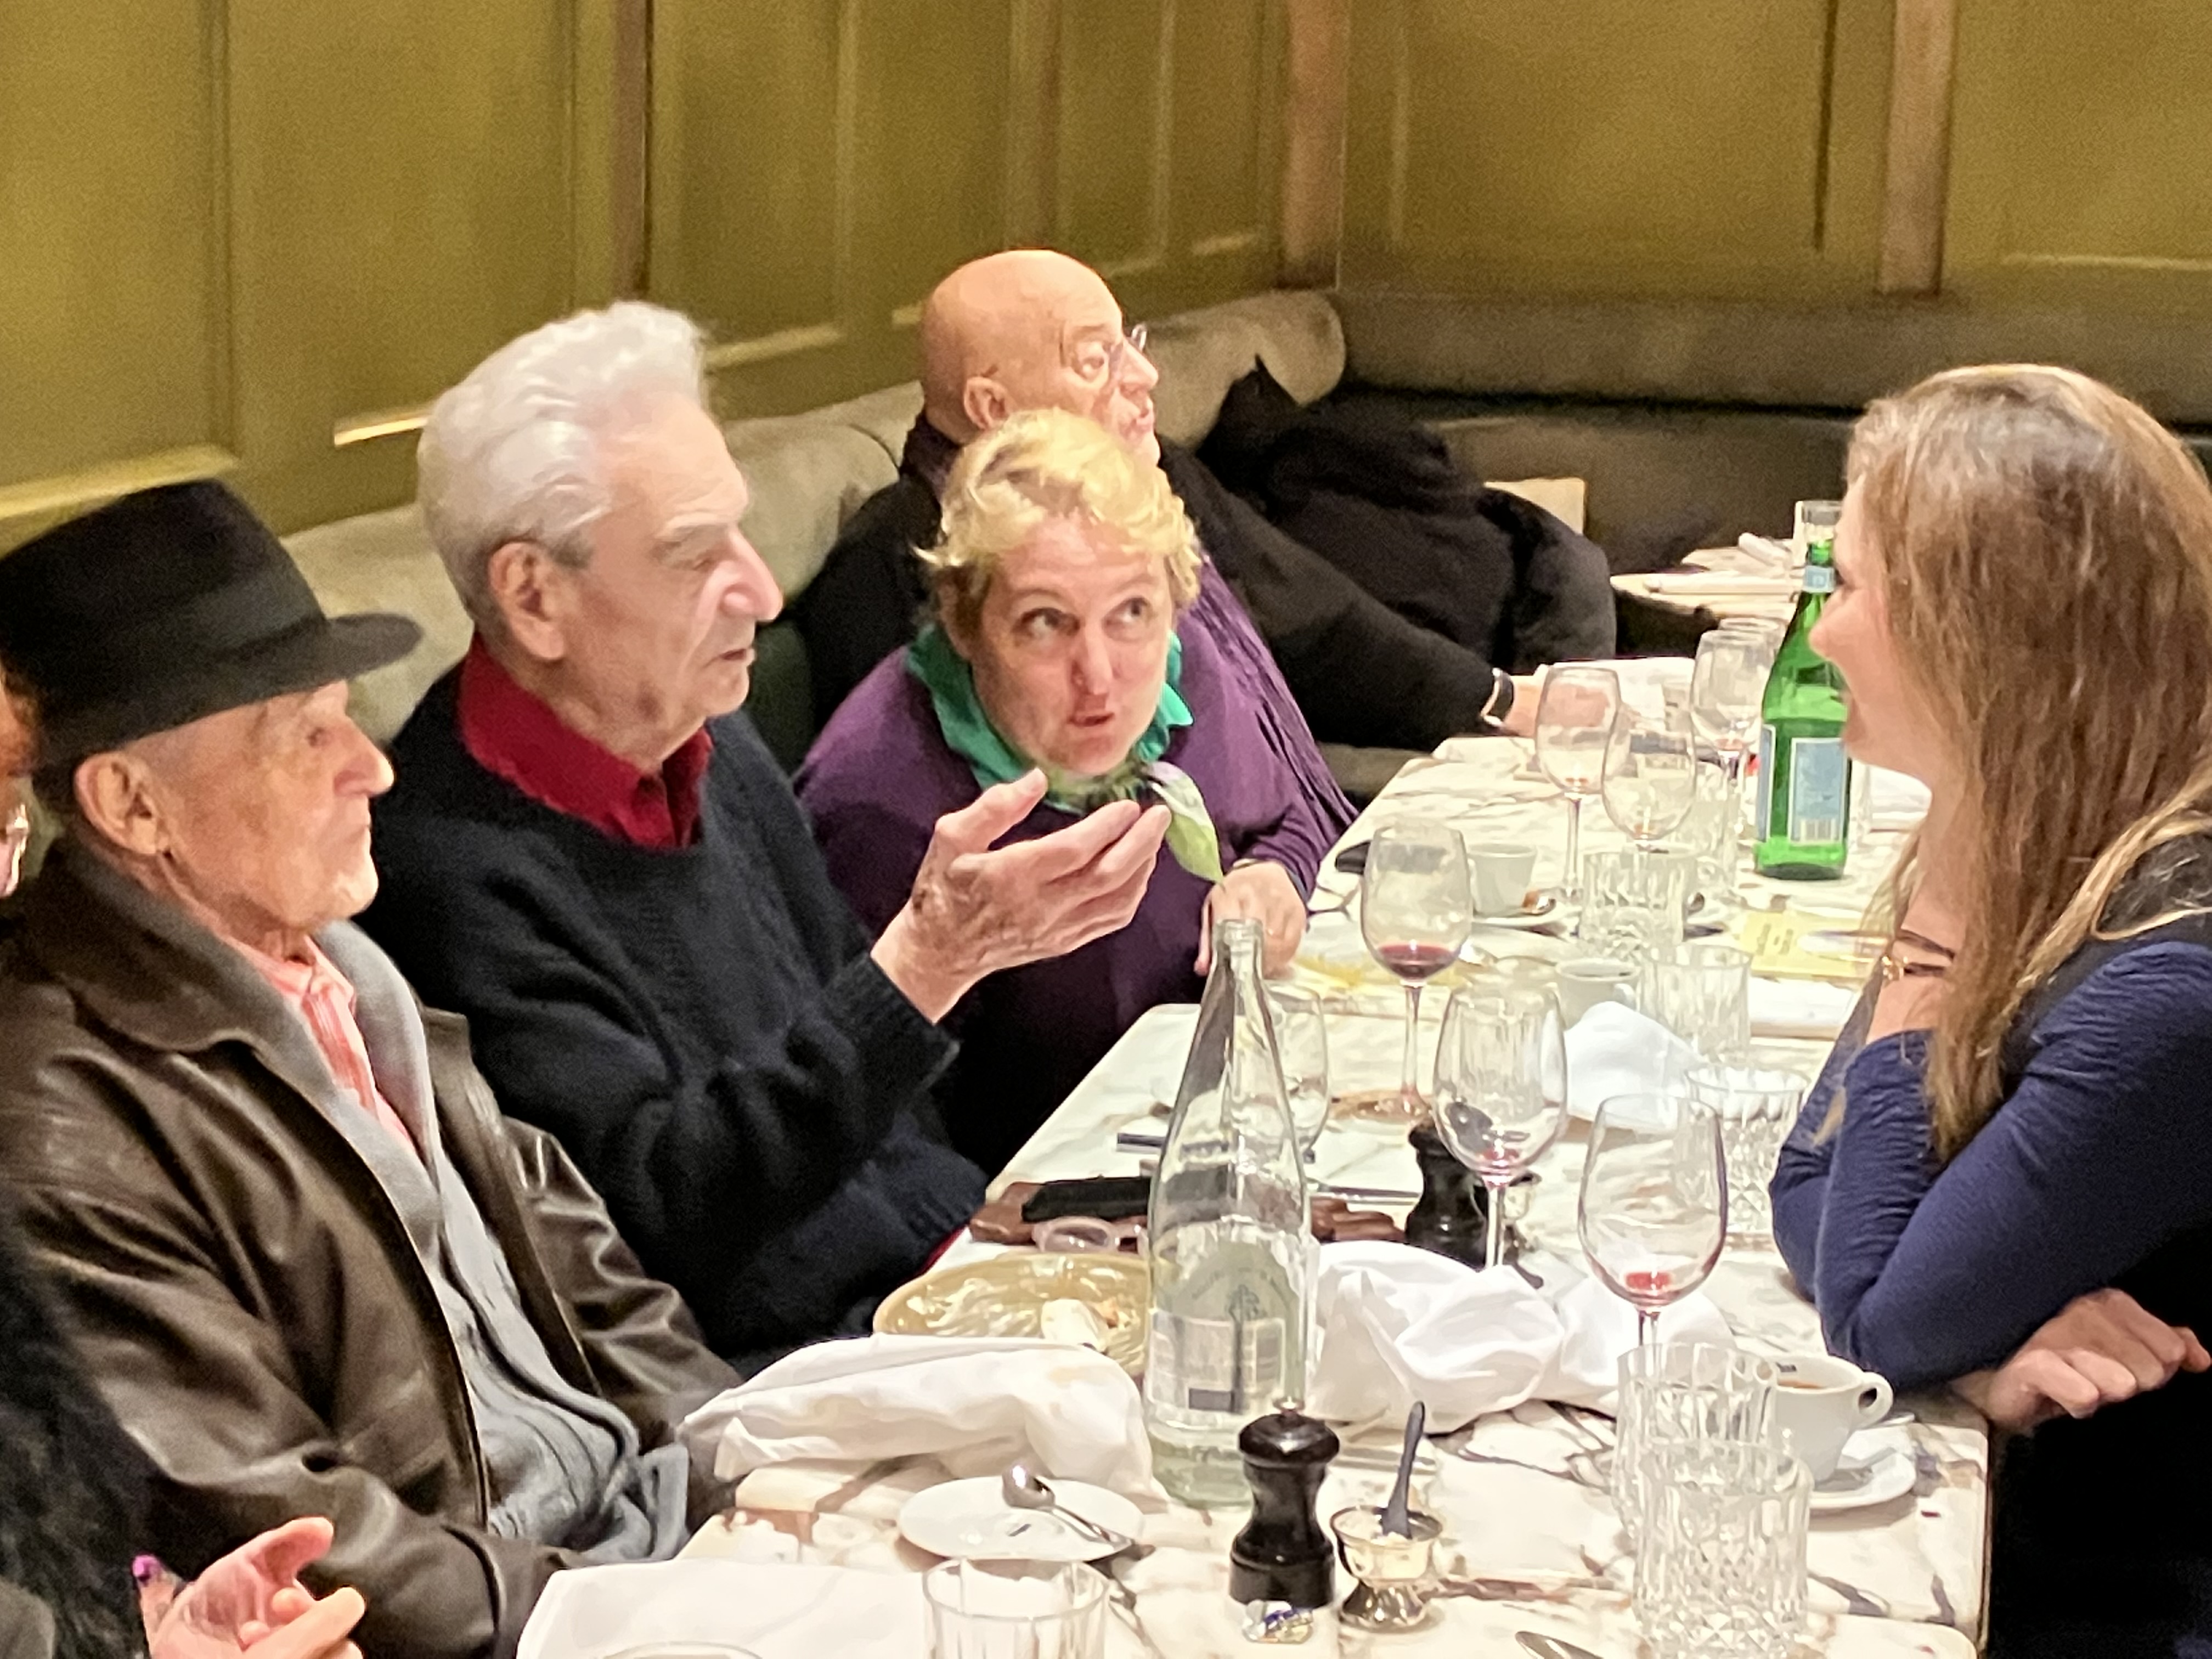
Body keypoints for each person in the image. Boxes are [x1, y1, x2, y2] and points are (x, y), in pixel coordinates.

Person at [0, 481, 740, 1659]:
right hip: (525, 1619)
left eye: (348, 718)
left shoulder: (345, 966)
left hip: (651, 1540)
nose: (375, 769)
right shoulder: (62, 1117)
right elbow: (294, 1530)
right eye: (305, 735)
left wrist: (743, 1471)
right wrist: (622, 1609)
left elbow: (590, 1273)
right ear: (133, 806)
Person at [363, 302, 1169, 1367]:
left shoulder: (712, 742)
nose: (758, 587)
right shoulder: (445, 867)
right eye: (694, 555)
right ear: (534, 597)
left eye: (740, 533)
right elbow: (656, 1226)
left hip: (939, 1286)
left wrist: (1019, 1243)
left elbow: (889, 1113)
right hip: (781, 1385)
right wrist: (927, 966)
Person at [1767, 364, 2212, 1657]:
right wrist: (1977, 1345)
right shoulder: (2065, 848)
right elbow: (1806, 1183)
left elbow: (1871, 1317)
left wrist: (1936, 1324)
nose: (1821, 637)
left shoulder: (2170, 979)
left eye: (1849, 589)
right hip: (2050, 1521)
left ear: (1981, 639)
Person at [799, 409, 1331, 1170]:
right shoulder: (883, 805)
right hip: (1043, 1199)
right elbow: (875, 1140)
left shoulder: (1183, 675)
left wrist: (1274, 876)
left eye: (1133, 613)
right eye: (1046, 623)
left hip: (1213, 1127)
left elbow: (1287, 814)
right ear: (962, 621)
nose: (1101, 677)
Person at [793, 246, 1532, 758]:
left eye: (1130, 343)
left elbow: (1320, 623)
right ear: (994, 406)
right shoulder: (900, 561)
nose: (1145, 376)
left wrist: (1502, 701)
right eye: (1095, 359)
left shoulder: (1153, 473)